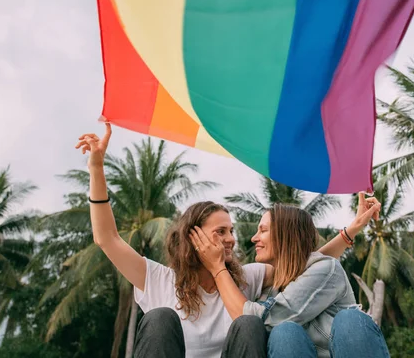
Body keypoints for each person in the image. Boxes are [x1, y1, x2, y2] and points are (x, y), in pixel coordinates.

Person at [75, 123, 381, 358]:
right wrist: (97, 168)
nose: (232, 239)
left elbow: (301, 263)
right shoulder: (158, 279)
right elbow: (107, 239)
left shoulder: (244, 279)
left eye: (231, 231)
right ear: (192, 237)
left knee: (248, 323)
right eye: (220, 232)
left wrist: (352, 229)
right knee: (159, 317)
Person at [191, 202, 391, 358]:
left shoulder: (325, 269)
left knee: (350, 319)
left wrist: (217, 268)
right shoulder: (270, 283)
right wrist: (352, 229)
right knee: (285, 332)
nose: (254, 238)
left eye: (263, 230)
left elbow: (260, 316)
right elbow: (300, 270)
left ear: (286, 235)